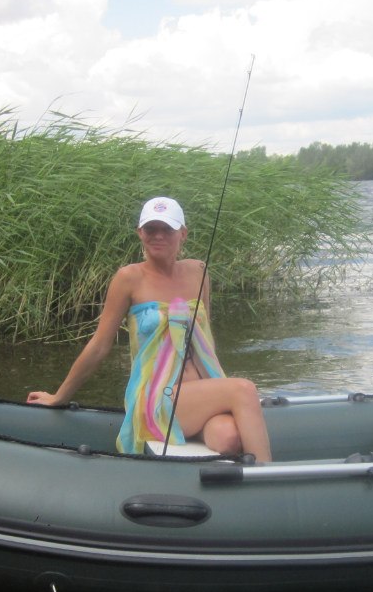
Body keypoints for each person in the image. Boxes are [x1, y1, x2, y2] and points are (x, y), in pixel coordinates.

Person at [27, 196, 273, 462]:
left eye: (167, 229)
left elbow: (205, 339)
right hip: (157, 398)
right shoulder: (128, 278)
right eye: (150, 229)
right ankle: (268, 477)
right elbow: (99, 346)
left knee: (228, 438)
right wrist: (59, 396)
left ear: (183, 233)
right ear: (139, 233)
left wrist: (216, 390)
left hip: (201, 395)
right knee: (243, 389)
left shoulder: (199, 271)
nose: (158, 235)